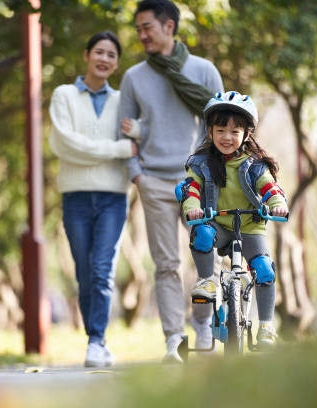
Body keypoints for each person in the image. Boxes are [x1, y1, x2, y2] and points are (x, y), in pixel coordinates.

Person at [118, 0, 224, 362]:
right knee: (166, 265)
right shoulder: (133, 78)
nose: (141, 35)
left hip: (197, 181)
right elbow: (125, 134)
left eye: (146, 27)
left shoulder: (204, 71)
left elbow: (220, 128)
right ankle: (174, 340)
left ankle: (204, 323)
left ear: (169, 27)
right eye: (138, 29)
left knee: (205, 258)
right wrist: (138, 176)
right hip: (155, 183)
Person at [49, 31, 138, 367]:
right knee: (84, 273)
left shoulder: (122, 101)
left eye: (111, 55)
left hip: (114, 198)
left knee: (102, 270)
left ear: (116, 63)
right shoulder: (64, 95)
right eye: (99, 52)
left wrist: (136, 137)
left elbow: (141, 132)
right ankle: (95, 338)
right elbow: (64, 144)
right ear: (87, 55)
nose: (104, 59)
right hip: (75, 198)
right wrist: (117, 149)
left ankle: (96, 341)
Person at [179, 90, 289, 347]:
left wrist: (278, 204)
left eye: (235, 131)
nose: (227, 137)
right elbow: (191, 189)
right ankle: (206, 281)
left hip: (249, 228)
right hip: (217, 224)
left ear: (246, 134)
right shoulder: (201, 163)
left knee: (263, 269)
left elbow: (270, 188)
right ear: (210, 132)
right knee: (202, 233)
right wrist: (193, 207)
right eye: (220, 130)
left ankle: (266, 326)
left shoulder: (254, 165)